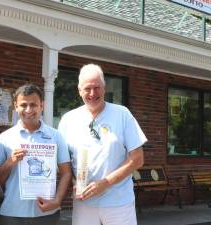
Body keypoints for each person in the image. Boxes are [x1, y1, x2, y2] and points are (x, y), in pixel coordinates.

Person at [58, 64, 147, 225]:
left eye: (97, 87)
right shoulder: (68, 120)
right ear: (79, 90)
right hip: (83, 202)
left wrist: (105, 183)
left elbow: (138, 158)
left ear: (104, 88)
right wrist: (74, 182)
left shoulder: (122, 114)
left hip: (118, 203)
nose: (92, 93)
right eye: (87, 88)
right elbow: (64, 162)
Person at [0, 84, 71, 225]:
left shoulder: (56, 137)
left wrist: (57, 201)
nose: (28, 110)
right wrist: (10, 162)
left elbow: (66, 173)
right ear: (15, 106)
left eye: (33, 105)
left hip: (46, 213)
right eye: (23, 105)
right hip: (12, 213)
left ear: (42, 105)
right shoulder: (4, 138)